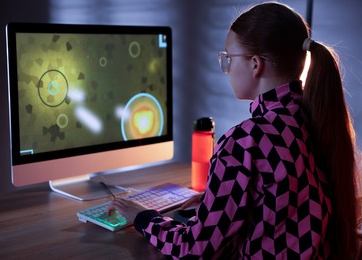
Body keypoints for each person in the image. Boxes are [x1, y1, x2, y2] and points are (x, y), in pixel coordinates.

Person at [109, 2, 360, 258]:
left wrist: (143, 217)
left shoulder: (246, 141)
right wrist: (221, 199)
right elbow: (286, 201)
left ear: (255, 64)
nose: (226, 69)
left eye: (229, 58)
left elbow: (194, 250)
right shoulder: (311, 120)